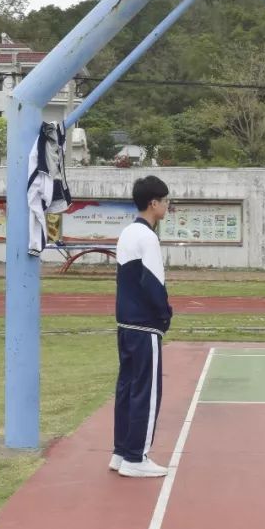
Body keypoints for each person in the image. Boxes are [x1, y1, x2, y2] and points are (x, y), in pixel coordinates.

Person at [111, 175, 173, 477]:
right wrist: (165, 315)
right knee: (147, 392)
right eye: (165, 201)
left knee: (127, 388)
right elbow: (153, 283)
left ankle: (121, 452)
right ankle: (137, 458)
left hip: (125, 324)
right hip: (144, 327)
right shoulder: (148, 237)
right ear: (154, 203)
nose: (167, 206)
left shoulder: (127, 233)